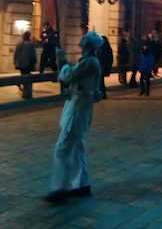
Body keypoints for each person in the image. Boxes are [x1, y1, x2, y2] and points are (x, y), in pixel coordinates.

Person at [45, 31, 103, 204]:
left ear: (88, 46)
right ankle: (81, 184)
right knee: (77, 148)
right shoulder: (89, 62)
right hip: (79, 108)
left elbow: (69, 76)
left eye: (84, 41)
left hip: (78, 110)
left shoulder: (90, 63)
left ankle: (59, 188)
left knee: (61, 149)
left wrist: (62, 61)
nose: (81, 42)